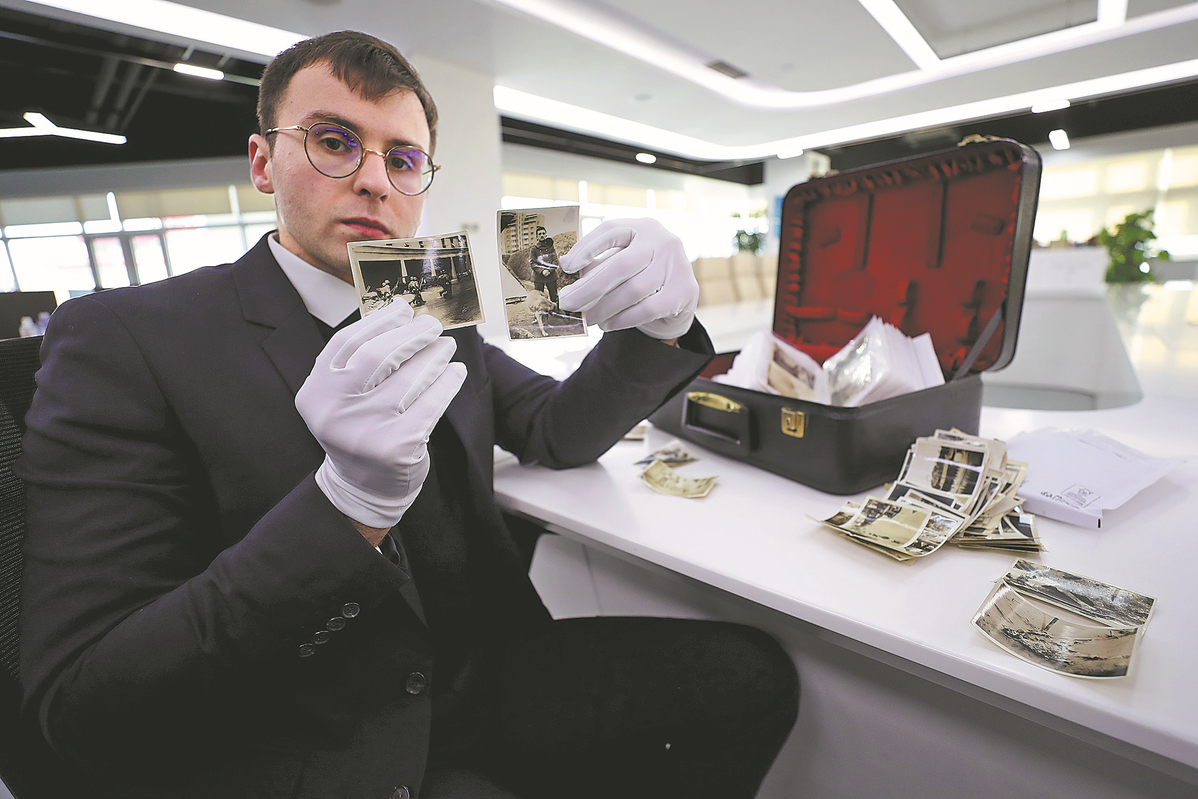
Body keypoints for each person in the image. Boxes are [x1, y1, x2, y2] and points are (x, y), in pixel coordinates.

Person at [16, 30, 798, 799]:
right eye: (333, 141)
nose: (373, 181)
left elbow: (558, 430)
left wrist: (655, 328)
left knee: (753, 677)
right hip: (320, 724)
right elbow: (85, 702)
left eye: (403, 158)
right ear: (262, 161)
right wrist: (342, 507)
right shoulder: (126, 334)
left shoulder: (424, 299)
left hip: (486, 667)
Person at [529, 225, 560, 307]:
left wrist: (549, 270)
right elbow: (532, 263)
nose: (542, 235)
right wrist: (542, 271)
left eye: (543, 233)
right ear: (537, 237)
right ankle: (540, 316)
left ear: (546, 235)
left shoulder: (551, 248)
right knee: (539, 299)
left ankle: (556, 314)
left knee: (554, 297)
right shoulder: (534, 249)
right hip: (539, 277)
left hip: (551, 276)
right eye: (539, 234)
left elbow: (555, 261)